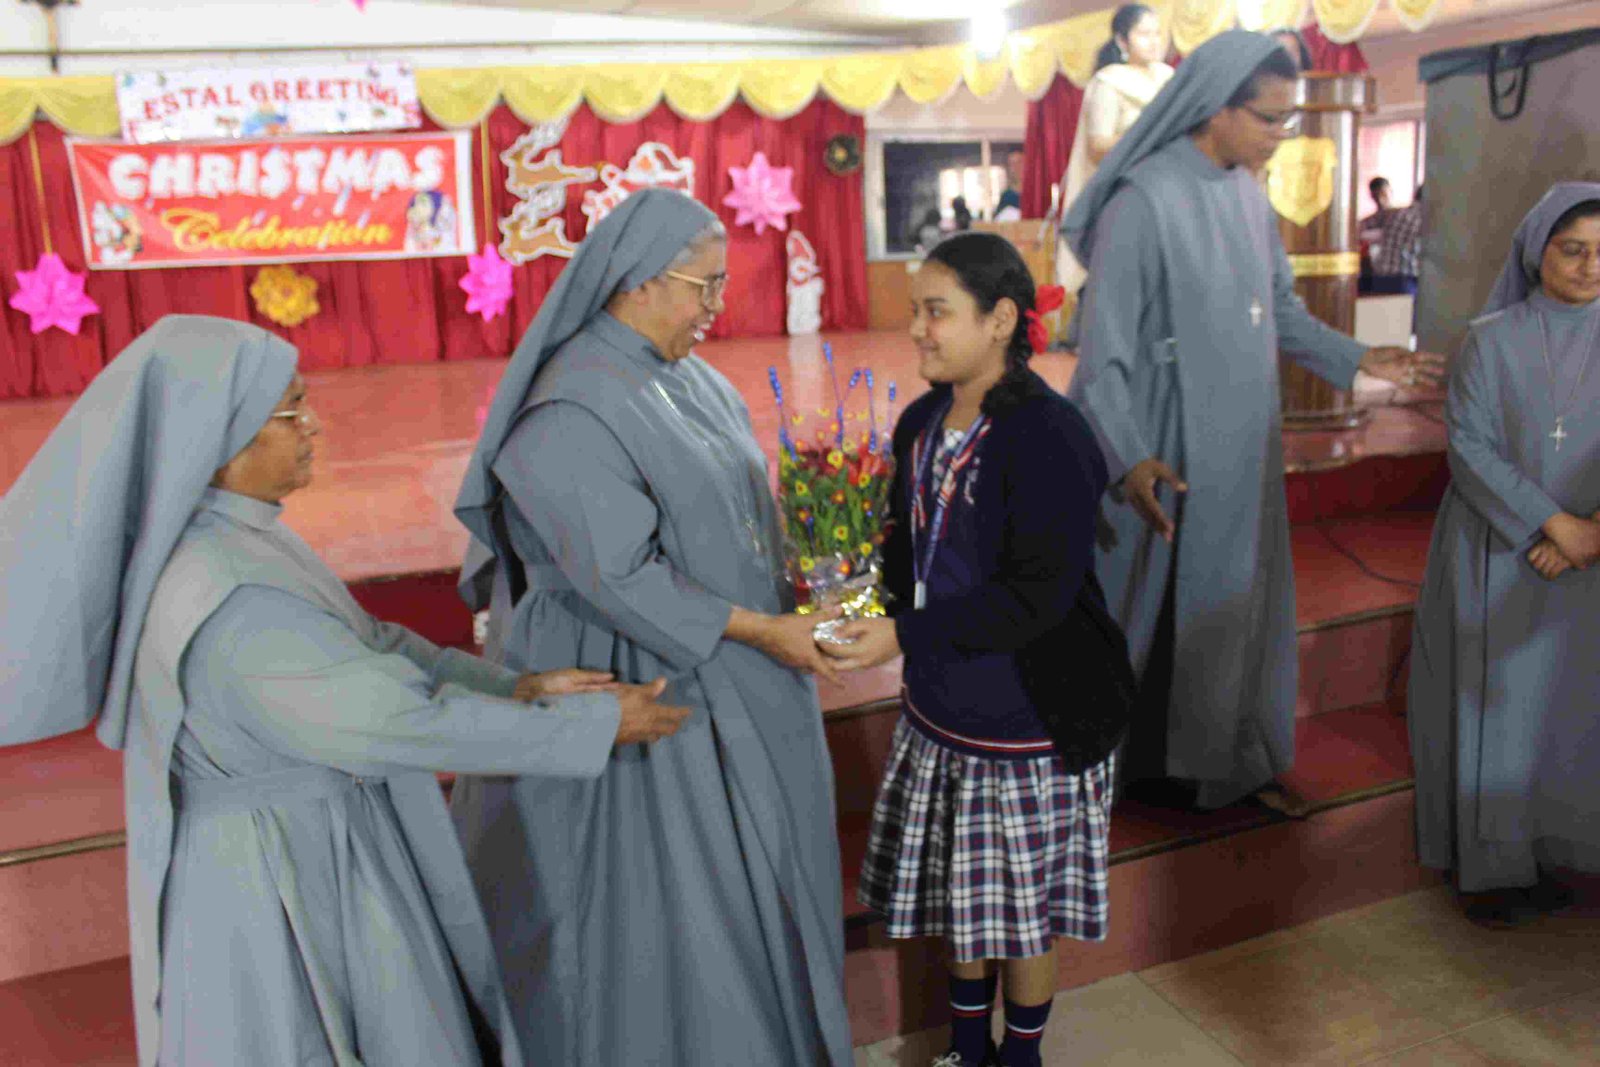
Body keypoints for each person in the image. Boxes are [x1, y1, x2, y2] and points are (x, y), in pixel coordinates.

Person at [0, 315, 689, 1067]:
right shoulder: (229, 598)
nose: (315, 427)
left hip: (310, 833)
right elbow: (392, 719)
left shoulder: (240, 536)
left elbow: (370, 643)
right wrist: (585, 725)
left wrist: (515, 687)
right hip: (277, 871)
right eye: (291, 410)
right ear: (221, 439)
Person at [451, 188, 854, 1065]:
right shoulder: (567, 408)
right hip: (632, 676)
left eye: (722, 285)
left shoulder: (690, 375)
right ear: (637, 281)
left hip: (718, 650)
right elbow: (620, 576)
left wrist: (810, 575)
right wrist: (761, 628)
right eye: (703, 286)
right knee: (657, 912)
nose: (717, 306)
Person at [1061, 31, 1444, 814]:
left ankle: (1220, 762)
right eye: (1270, 119)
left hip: (1241, 433)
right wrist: (1130, 458)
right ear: (1216, 108)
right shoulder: (1141, 201)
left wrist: (1362, 358)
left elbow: (1284, 315)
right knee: (1154, 604)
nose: (1281, 136)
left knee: (1232, 599)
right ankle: (1126, 771)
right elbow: (1104, 362)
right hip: (1160, 436)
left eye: (1288, 120)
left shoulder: (1247, 193)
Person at [821, 233, 1122, 1067]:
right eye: (915, 310)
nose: (917, 328)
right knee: (964, 902)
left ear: (1000, 320)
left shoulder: (1049, 434)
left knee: (1019, 919)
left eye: (937, 311)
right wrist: (856, 599)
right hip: (943, 709)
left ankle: (1018, 1058)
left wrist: (902, 633)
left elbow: (1037, 596)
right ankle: (965, 1050)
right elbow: (909, 558)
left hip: (1028, 717)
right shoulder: (922, 422)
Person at [1409, 183, 1600, 928]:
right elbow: (1470, 449)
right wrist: (1553, 526)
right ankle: (1492, 868)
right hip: (1497, 545)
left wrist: (1592, 531)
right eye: (1573, 250)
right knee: (1499, 707)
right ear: (1536, 253)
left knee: (1569, 707)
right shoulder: (1490, 339)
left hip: (1587, 556)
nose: (1589, 266)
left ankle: (1563, 850)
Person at [1054, 3, 1175, 298]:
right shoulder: (1109, 82)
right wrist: (1147, 135)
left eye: (1157, 33)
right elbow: (1097, 146)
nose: (1154, 41)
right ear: (1122, 41)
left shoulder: (1169, 78)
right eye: (1144, 34)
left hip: (1170, 193)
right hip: (1127, 194)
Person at [1372, 184, 1424, 294]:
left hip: (1380, 279)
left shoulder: (1394, 213)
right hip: (1405, 281)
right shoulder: (1423, 219)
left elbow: (1361, 225)